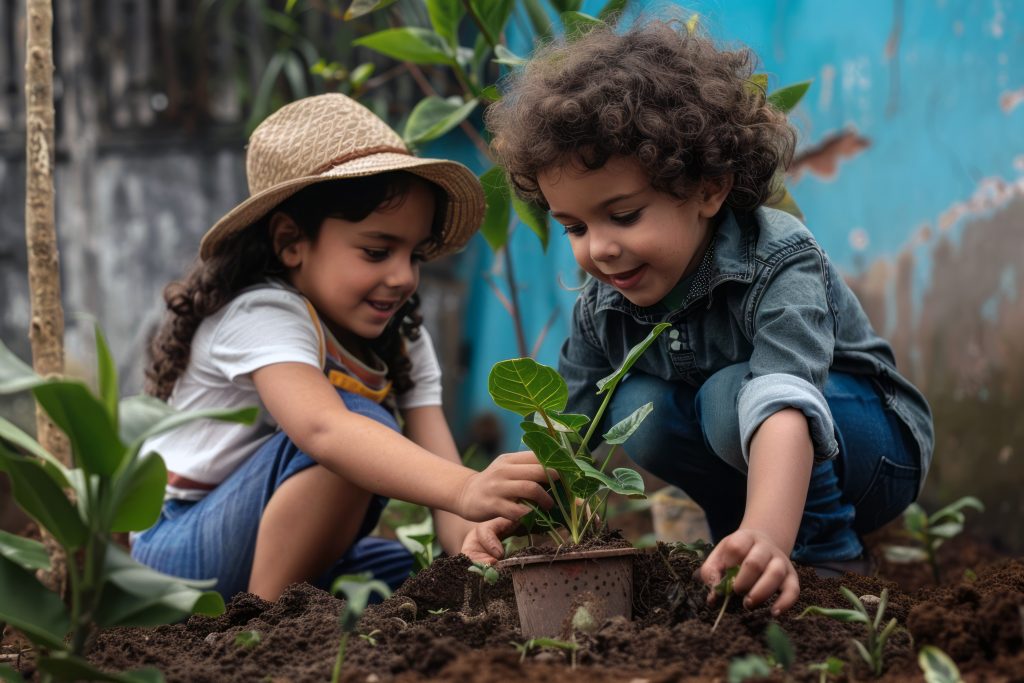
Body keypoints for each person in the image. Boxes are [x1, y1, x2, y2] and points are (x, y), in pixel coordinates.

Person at [470, 21, 933, 616]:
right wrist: (503, 516)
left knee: (728, 395)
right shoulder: (603, 306)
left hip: (873, 452)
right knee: (643, 407)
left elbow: (784, 400)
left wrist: (770, 532)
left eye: (625, 215)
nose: (600, 249)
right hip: (759, 462)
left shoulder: (778, 258)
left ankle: (826, 556)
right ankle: (735, 551)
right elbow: (570, 438)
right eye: (577, 228)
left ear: (709, 189)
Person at [132, 93, 551, 601]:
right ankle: (263, 628)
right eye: (377, 251)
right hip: (175, 554)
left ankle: (288, 610)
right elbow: (325, 430)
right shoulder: (262, 313)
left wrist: (476, 535)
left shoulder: (399, 334)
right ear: (291, 241)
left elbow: (448, 499)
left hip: (259, 546)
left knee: (408, 574)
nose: (402, 277)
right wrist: (467, 488)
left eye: (414, 254)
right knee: (358, 427)